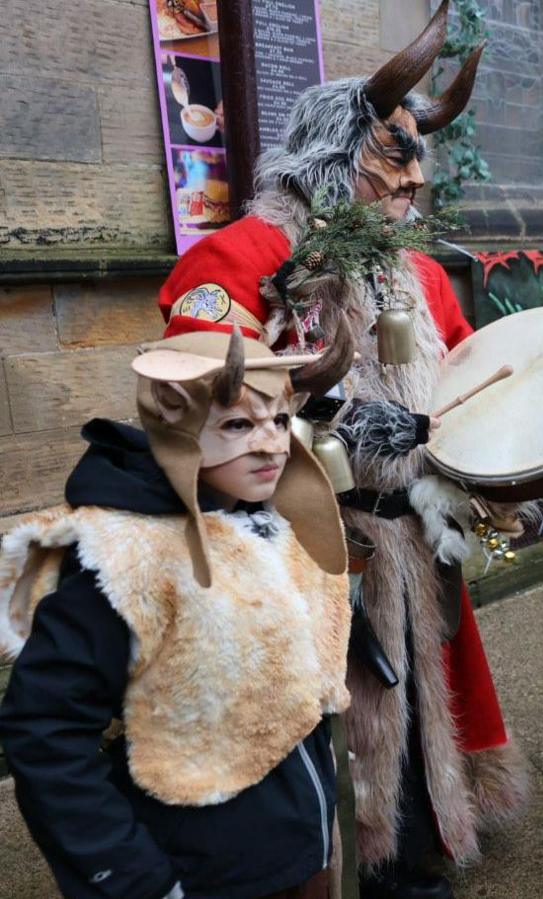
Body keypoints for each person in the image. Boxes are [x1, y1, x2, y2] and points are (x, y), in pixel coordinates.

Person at [156, 4, 528, 895]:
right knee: (317, 716)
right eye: (395, 153)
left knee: (411, 693)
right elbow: (194, 393)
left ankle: (404, 845)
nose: (414, 179)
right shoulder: (238, 258)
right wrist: (329, 419)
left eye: (418, 158)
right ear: (336, 151)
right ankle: (328, 860)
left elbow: (476, 379)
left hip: (412, 536)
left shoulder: (421, 274)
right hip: (303, 541)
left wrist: (507, 464)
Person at [0, 331, 349, 899]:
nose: (271, 445)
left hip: (294, 850)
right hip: (201, 873)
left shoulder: (265, 520)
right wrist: (135, 879)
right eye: (238, 425)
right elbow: (46, 733)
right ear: (176, 426)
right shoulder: (121, 557)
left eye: (281, 421)